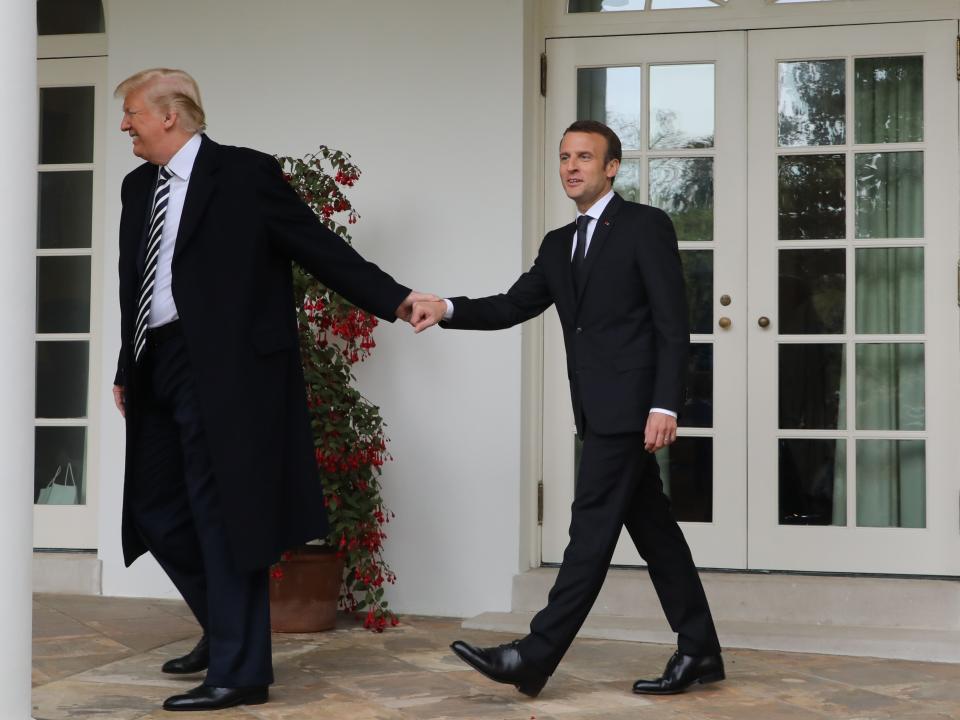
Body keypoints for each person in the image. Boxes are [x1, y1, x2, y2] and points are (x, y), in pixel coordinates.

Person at [111, 68, 433, 712]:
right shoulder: (137, 185)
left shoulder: (245, 174)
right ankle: (228, 630)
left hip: (226, 370)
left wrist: (395, 299)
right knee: (153, 508)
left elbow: (318, 248)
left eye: (133, 114)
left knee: (219, 513)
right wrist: (128, 364)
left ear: (169, 116)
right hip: (159, 364)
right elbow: (138, 286)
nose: (125, 126)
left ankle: (241, 671)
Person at [410, 120, 723, 697]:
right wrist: (446, 307)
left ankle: (534, 655)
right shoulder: (558, 245)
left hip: (630, 412)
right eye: (563, 158)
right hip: (596, 410)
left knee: (588, 536)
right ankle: (700, 649)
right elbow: (511, 305)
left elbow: (672, 323)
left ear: (612, 167)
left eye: (584, 156)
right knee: (656, 534)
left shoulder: (645, 226)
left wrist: (664, 404)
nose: (571, 167)